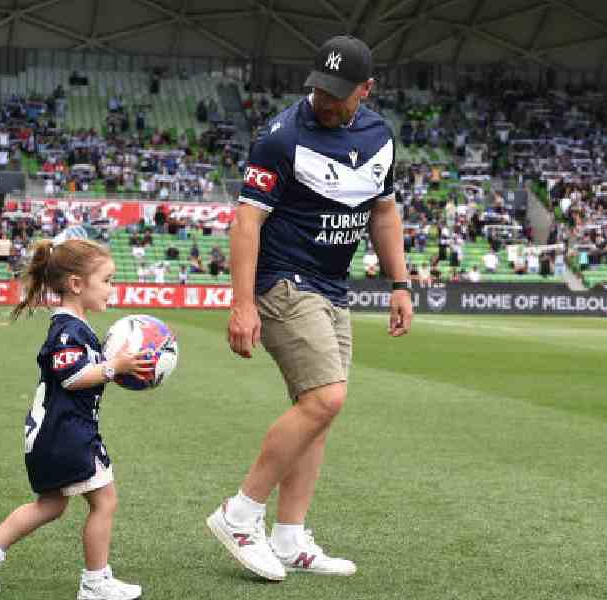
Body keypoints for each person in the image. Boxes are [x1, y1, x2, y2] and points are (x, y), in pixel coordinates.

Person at [208, 35, 412, 581]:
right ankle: (241, 513)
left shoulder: (379, 137)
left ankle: (291, 536)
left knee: (319, 415)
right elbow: (247, 221)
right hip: (284, 281)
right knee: (324, 399)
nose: (325, 99)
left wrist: (400, 283)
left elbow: (384, 212)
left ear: (366, 90)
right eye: (320, 87)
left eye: (339, 92)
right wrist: (242, 305)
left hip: (333, 287)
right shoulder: (281, 136)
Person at [0, 238, 150, 599]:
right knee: (104, 500)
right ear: (77, 284)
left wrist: (112, 364)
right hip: (67, 436)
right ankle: (95, 583)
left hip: (52, 436)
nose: (113, 288)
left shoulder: (72, 326)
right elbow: (72, 376)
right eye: (107, 280)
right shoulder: (67, 329)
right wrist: (113, 368)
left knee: (50, 505)